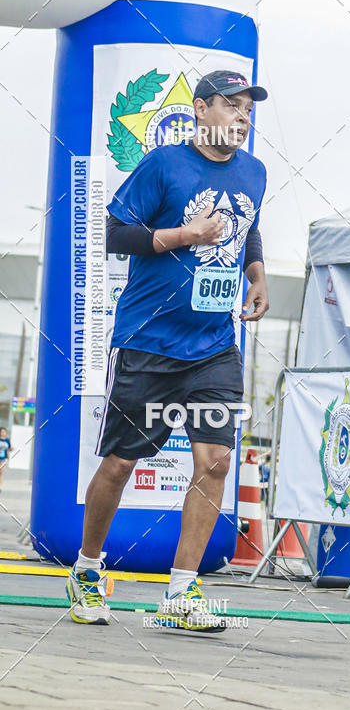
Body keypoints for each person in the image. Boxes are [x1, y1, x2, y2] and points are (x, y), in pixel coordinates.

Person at [66, 70, 269, 632]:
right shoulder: (162, 166)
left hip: (214, 344)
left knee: (217, 461)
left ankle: (181, 593)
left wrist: (257, 277)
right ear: (201, 110)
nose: (242, 116)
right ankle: (86, 569)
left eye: (249, 108)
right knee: (122, 462)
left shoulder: (255, 172)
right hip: (149, 341)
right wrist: (184, 236)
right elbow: (115, 234)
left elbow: (248, 228)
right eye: (231, 105)